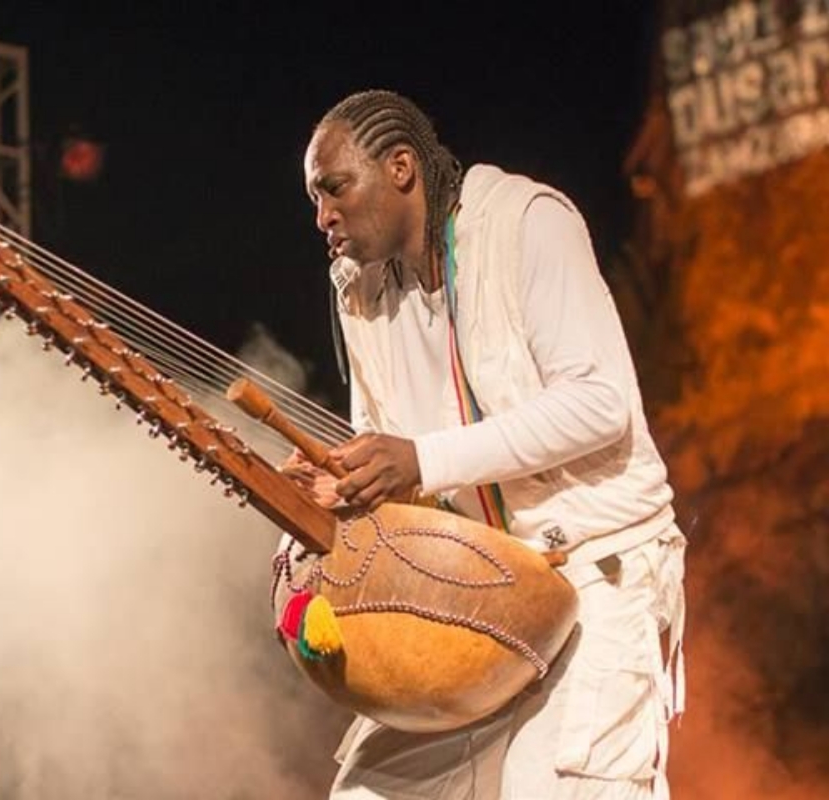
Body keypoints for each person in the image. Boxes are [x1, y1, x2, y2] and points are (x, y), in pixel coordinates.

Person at [288, 90, 687, 799]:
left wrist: (419, 458)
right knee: (370, 790)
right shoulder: (355, 290)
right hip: (473, 591)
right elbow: (393, 455)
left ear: (402, 168)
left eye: (334, 188)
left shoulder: (527, 224)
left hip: (597, 570)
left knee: (568, 786)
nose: (322, 216)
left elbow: (600, 406)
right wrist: (345, 482)